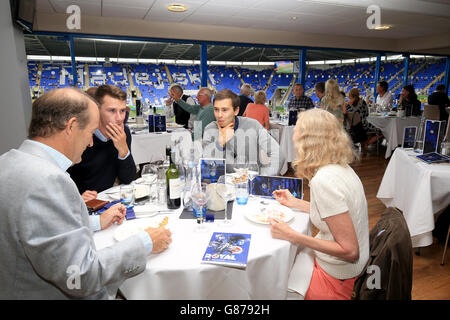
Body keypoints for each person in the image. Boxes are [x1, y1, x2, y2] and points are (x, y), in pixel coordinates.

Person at [0, 88, 172, 299]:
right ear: (71, 127)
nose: (91, 142)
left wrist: (97, 222)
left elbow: (43, 229)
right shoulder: (49, 181)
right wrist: (144, 242)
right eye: (91, 132)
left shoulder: (8, 161)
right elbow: (79, 276)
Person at [268, 108, 369, 300]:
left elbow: (350, 251)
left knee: (275, 287)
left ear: (308, 139)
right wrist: (295, 202)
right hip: (347, 269)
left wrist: (293, 236)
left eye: (297, 131)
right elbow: (335, 215)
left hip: (337, 277)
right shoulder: (339, 168)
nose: (293, 137)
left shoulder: (325, 180)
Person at [67, 84, 136, 200]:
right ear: (97, 111)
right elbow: (60, 180)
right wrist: (77, 198)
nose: (119, 118)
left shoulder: (124, 133)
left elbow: (128, 178)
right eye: (112, 111)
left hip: (107, 201)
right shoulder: (80, 136)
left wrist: (123, 149)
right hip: (82, 205)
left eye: (122, 111)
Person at [202, 89, 283, 176]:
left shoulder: (253, 125)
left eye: (224, 110)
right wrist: (220, 143)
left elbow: (278, 154)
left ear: (236, 111)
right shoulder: (210, 129)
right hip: (223, 185)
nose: (219, 115)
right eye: (216, 110)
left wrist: (263, 177)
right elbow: (207, 166)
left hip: (250, 183)